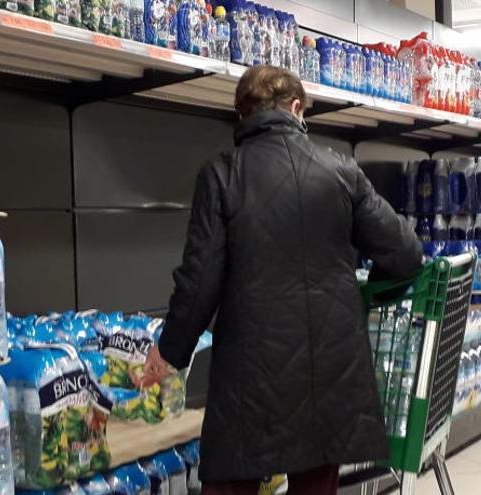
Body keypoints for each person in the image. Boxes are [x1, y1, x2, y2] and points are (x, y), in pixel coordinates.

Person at [142, 65, 423, 495]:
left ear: (242, 115)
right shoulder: (341, 171)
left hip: (248, 382)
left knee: (231, 482)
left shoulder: (222, 174)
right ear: (296, 108)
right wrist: (365, 290)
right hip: (331, 372)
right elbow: (406, 255)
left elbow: (200, 281)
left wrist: (170, 351)